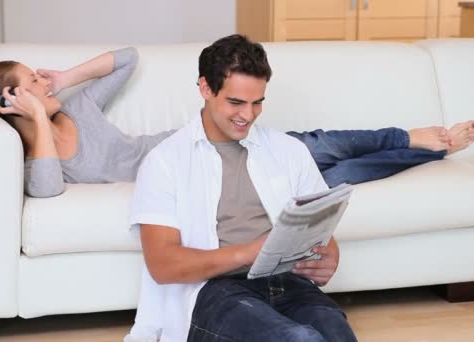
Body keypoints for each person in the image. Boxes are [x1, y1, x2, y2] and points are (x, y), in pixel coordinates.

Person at [0, 46, 474, 198]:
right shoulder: (37, 151)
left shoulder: (79, 104)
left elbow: (126, 59)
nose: (43, 84)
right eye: (31, 83)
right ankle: (425, 150)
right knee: (333, 181)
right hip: (191, 169)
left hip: (201, 140)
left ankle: (407, 136)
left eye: (41, 79)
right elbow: (44, 191)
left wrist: (65, 76)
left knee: (319, 145)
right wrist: (38, 118)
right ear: (11, 103)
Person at [128, 33, 357, 342]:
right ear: (206, 88)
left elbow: (319, 230)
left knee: (336, 335)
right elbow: (163, 264)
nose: (247, 115)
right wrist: (247, 253)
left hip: (288, 282)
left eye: (257, 103)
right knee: (300, 339)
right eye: (235, 102)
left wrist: (329, 256)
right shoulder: (165, 161)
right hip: (216, 291)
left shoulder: (288, 150)